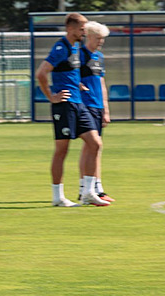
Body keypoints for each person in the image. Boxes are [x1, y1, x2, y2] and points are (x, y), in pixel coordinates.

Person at [36, 13, 110, 207]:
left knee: (95, 143)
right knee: (62, 150)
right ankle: (57, 197)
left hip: (79, 104)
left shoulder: (76, 48)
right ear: (70, 29)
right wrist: (51, 97)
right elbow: (41, 73)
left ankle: (87, 193)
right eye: (81, 29)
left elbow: (68, 72)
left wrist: (77, 84)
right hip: (64, 105)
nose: (84, 32)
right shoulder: (60, 47)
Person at [78, 21, 115, 203]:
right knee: (92, 146)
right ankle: (86, 189)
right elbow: (69, 77)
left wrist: (106, 109)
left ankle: (95, 188)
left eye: (103, 38)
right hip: (84, 106)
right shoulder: (79, 55)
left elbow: (101, 83)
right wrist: (78, 86)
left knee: (94, 147)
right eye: (99, 38)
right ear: (89, 36)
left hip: (98, 106)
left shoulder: (99, 57)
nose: (101, 41)